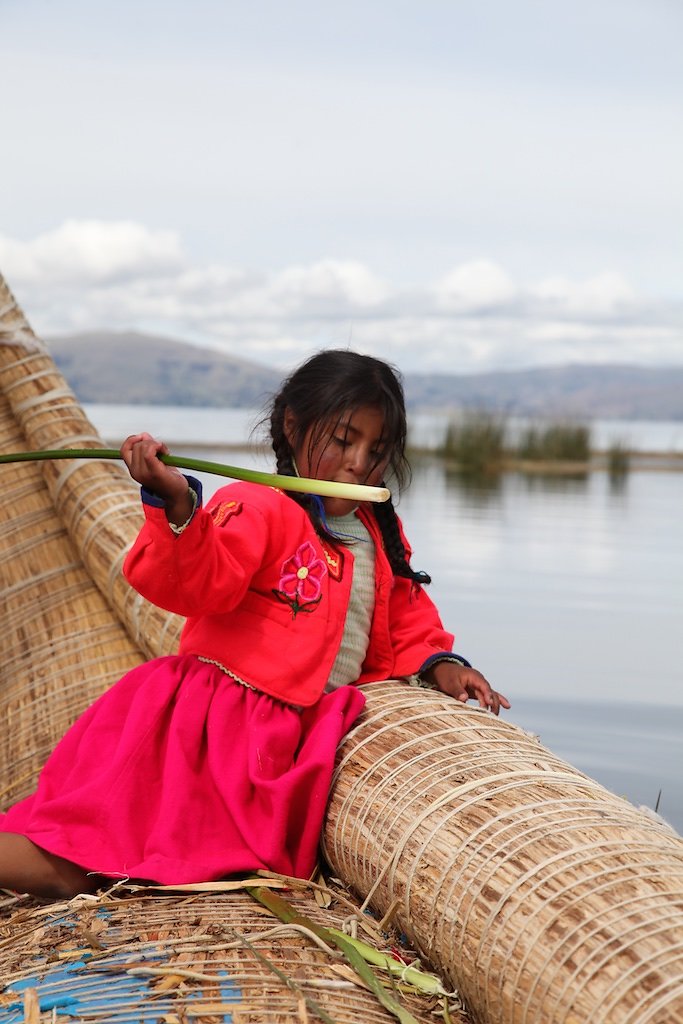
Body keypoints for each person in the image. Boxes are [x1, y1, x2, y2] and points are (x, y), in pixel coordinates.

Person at [0, 350, 509, 899]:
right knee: (86, 863)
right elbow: (202, 582)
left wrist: (443, 664)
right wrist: (176, 505)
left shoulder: (377, 530)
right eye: (343, 440)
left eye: (377, 451)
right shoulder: (259, 507)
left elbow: (405, 613)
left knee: (132, 864)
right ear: (293, 427)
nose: (359, 462)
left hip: (285, 732)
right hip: (212, 731)